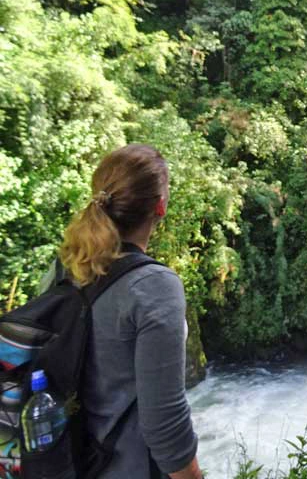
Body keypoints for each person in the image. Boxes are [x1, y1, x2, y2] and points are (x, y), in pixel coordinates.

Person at [54, 144, 202, 479]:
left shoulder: (64, 270)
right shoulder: (154, 286)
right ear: (160, 207)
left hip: (67, 463)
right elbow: (165, 423)